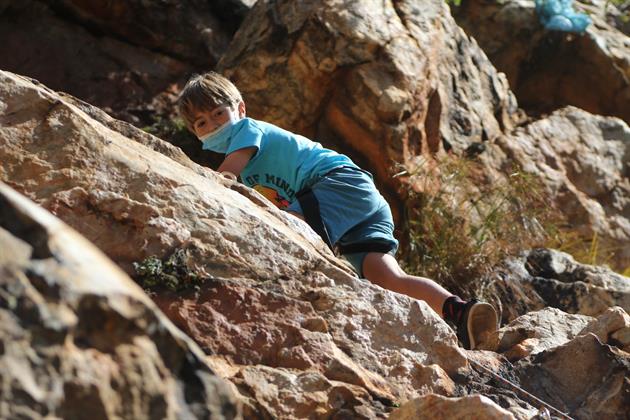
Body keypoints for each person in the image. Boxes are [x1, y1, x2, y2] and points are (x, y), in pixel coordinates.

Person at [176, 71, 498, 350]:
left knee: (288, 230)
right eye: (202, 123)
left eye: (219, 113)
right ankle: (460, 311)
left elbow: (225, 178)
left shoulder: (247, 131)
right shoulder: (248, 161)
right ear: (195, 133)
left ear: (240, 109)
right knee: (387, 277)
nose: (214, 125)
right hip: (360, 203)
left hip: (335, 184)